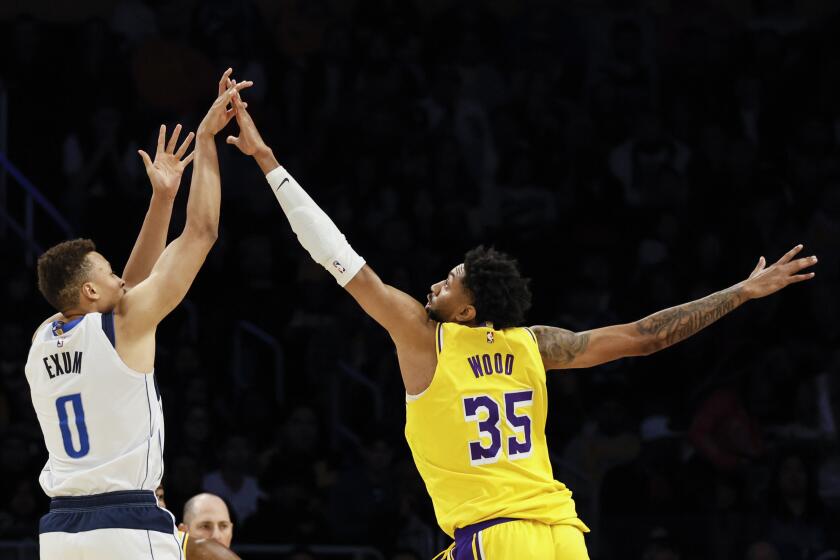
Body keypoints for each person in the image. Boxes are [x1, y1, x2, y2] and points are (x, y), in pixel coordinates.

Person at [225, 93, 818, 559]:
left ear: (468, 310)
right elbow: (646, 337)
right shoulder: (536, 345)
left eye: (453, 280)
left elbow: (338, 258)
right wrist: (740, 292)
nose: (438, 281)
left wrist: (268, 161)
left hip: (497, 537)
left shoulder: (425, 336)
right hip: (564, 534)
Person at [25, 69, 252, 560]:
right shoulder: (121, 325)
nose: (120, 280)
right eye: (107, 273)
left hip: (60, 532)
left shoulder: (44, 338)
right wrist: (208, 139)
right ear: (88, 290)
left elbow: (131, 288)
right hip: (126, 523)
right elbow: (202, 233)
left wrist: (162, 198)